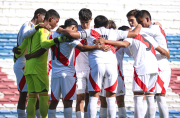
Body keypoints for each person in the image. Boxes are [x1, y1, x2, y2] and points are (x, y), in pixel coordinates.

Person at [57, 15, 142, 118]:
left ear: (94, 25)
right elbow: (135, 33)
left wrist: (60, 29)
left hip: (97, 65)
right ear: (107, 25)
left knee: (93, 97)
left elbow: (71, 34)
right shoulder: (113, 32)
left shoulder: (90, 32)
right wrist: (140, 23)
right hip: (111, 66)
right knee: (111, 98)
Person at [93, 28, 170, 118]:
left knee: (137, 97)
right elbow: (163, 51)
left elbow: (125, 44)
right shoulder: (148, 37)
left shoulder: (130, 37)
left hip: (137, 70)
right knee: (150, 97)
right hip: (153, 68)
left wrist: (106, 41)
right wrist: (167, 55)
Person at [47, 18, 110, 118]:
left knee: (53, 101)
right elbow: (82, 48)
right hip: (68, 74)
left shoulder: (51, 35)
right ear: (73, 27)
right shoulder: (71, 37)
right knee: (68, 102)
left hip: (55, 73)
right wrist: (98, 47)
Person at [14, 9, 63, 118]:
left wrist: (16, 53)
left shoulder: (32, 29)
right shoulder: (43, 30)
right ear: (51, 19)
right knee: (44, 97)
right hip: (39, 68)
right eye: (56, 21)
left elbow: (20, 49)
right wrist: (58, 40)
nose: (57, 24)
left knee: (32, 97)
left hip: (28, 68)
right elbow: (44, 44)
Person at [135, 10, 171, 118]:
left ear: (147, 19)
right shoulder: (155, 27)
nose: (140, 25)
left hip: (160, 65)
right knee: (152, 98)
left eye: (140, 22)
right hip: (156, 65)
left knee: (159, 97)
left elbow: (137, 32)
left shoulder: (153, 29)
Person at [13, 8, 47, 118]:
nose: (44, 20)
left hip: (29, 64)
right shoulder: (27, 25)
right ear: (38, 15)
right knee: (25, 95)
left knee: (34, 94)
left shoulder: (37, 28)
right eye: (43, 18)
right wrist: (37, 27)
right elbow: (24, 36)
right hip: (22, 64)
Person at [75, 8, 92, 118]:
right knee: (80, 98)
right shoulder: (75, 31)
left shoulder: (95, 31)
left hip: (91, 69)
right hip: (79, 70)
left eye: (87, 22)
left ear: (91, 19)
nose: (85, 25)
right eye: (82, 22)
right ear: (79, 19)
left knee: (90, 98)